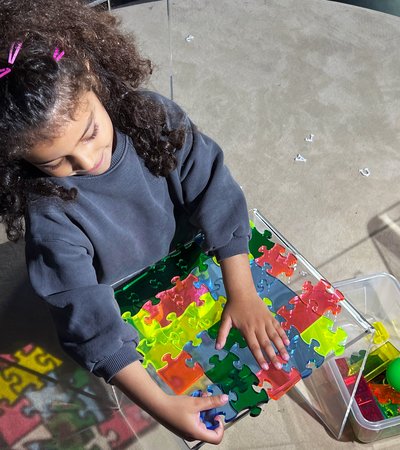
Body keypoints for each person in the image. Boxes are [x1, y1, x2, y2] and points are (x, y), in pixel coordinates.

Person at [0, 0, 289, 444]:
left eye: (90, 132)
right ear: (19, 160)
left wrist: (243, 290)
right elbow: (86, 321)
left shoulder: (154, 119)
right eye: (57, 161)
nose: (88, 161)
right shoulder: (50, 213)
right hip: (129, 302)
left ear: (93, 77)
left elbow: (216, 192)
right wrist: (161, 403)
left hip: (192, 262)